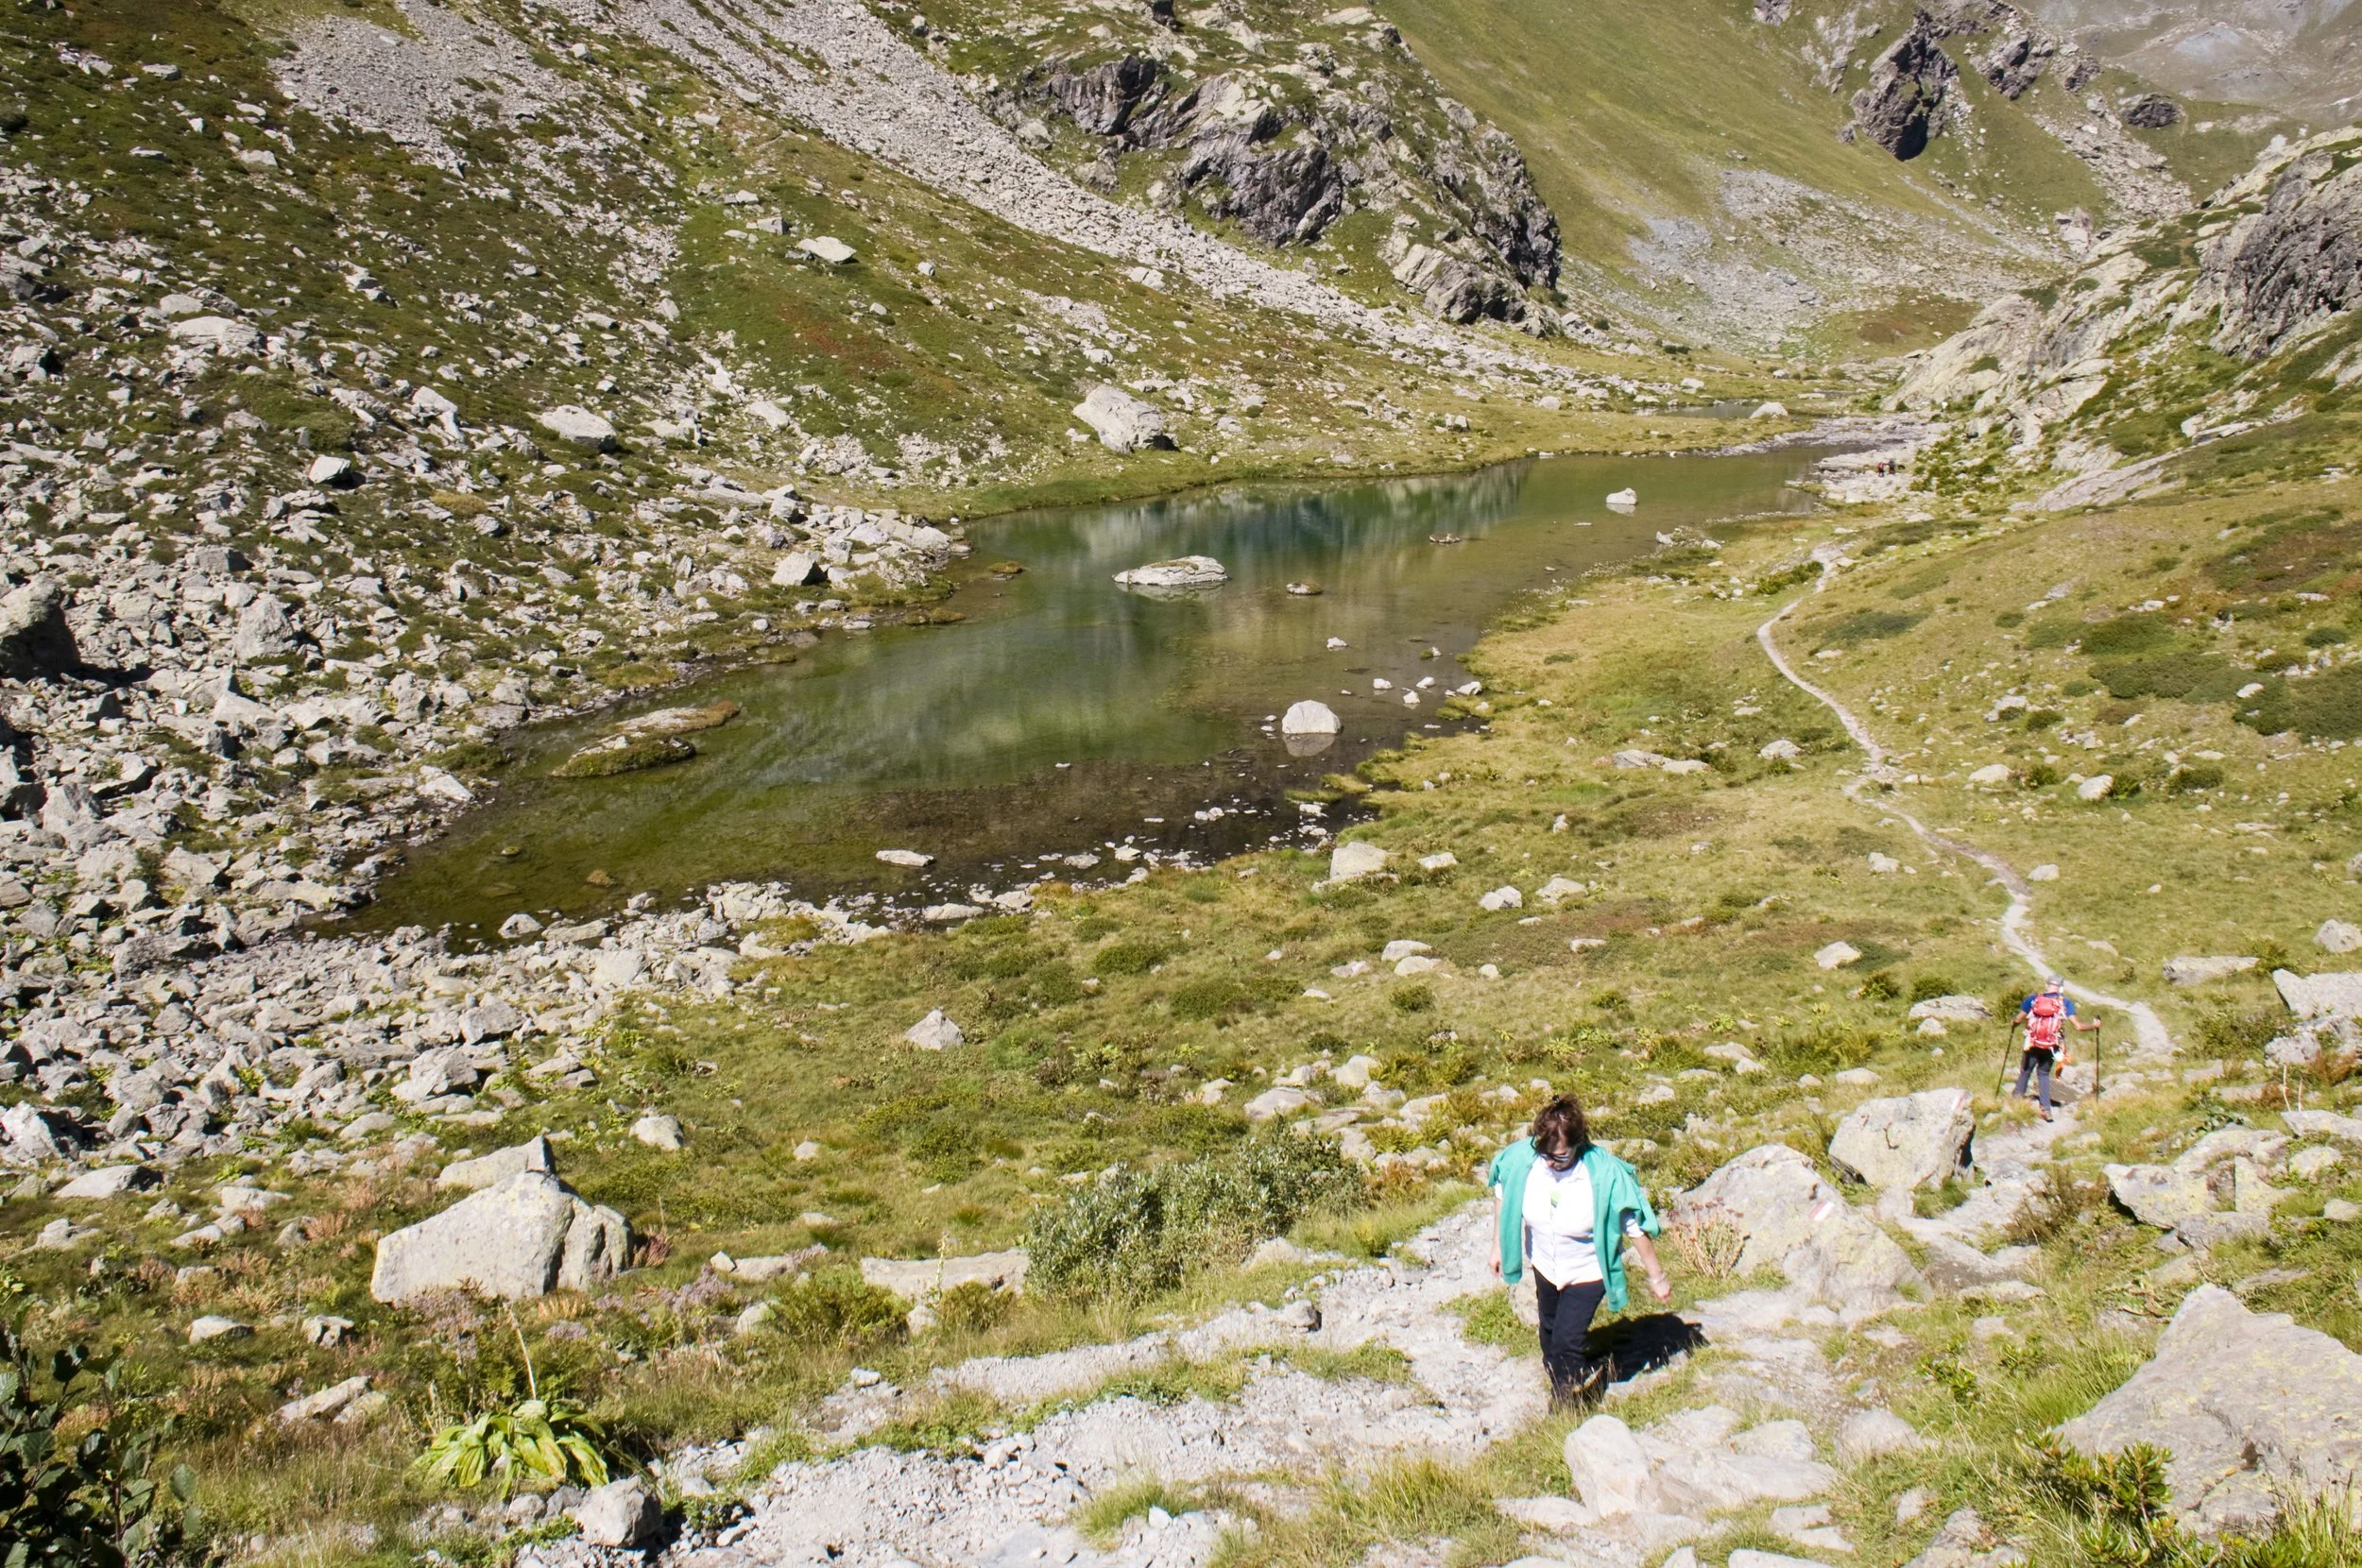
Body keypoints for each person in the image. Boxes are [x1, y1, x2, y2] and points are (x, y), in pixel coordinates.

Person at [1485, 1095, 1670, 1407]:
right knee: (1548, 1329)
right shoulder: (1524, 1162)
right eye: (1544, 1154)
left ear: (1578, 1144)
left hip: (1587, 1270)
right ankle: (1559, 1372)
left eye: (1559, 1157)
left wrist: (1657, 1276)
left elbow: (1632, 1227)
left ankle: (1563, 1406)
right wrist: (1498, 1245)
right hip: (1545, 1263)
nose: (1549, 1162)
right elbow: (1502, 1191)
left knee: (1567, 1341)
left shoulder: (1603, 1176)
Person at [2013, 976, 2096, 1121]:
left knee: (2025, 1071)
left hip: (2033, 1042)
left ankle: (2015, 1102)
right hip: (2052, 1045)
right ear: (2061, 988)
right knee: (2043, 1073)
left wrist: (2013, 1025)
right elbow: (2079, 1026)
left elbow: (2018, 1019)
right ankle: (2046, 1109)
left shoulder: (2033, 999)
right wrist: (2094, 1026)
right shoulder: (2064, 1002)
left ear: (2047, 985)